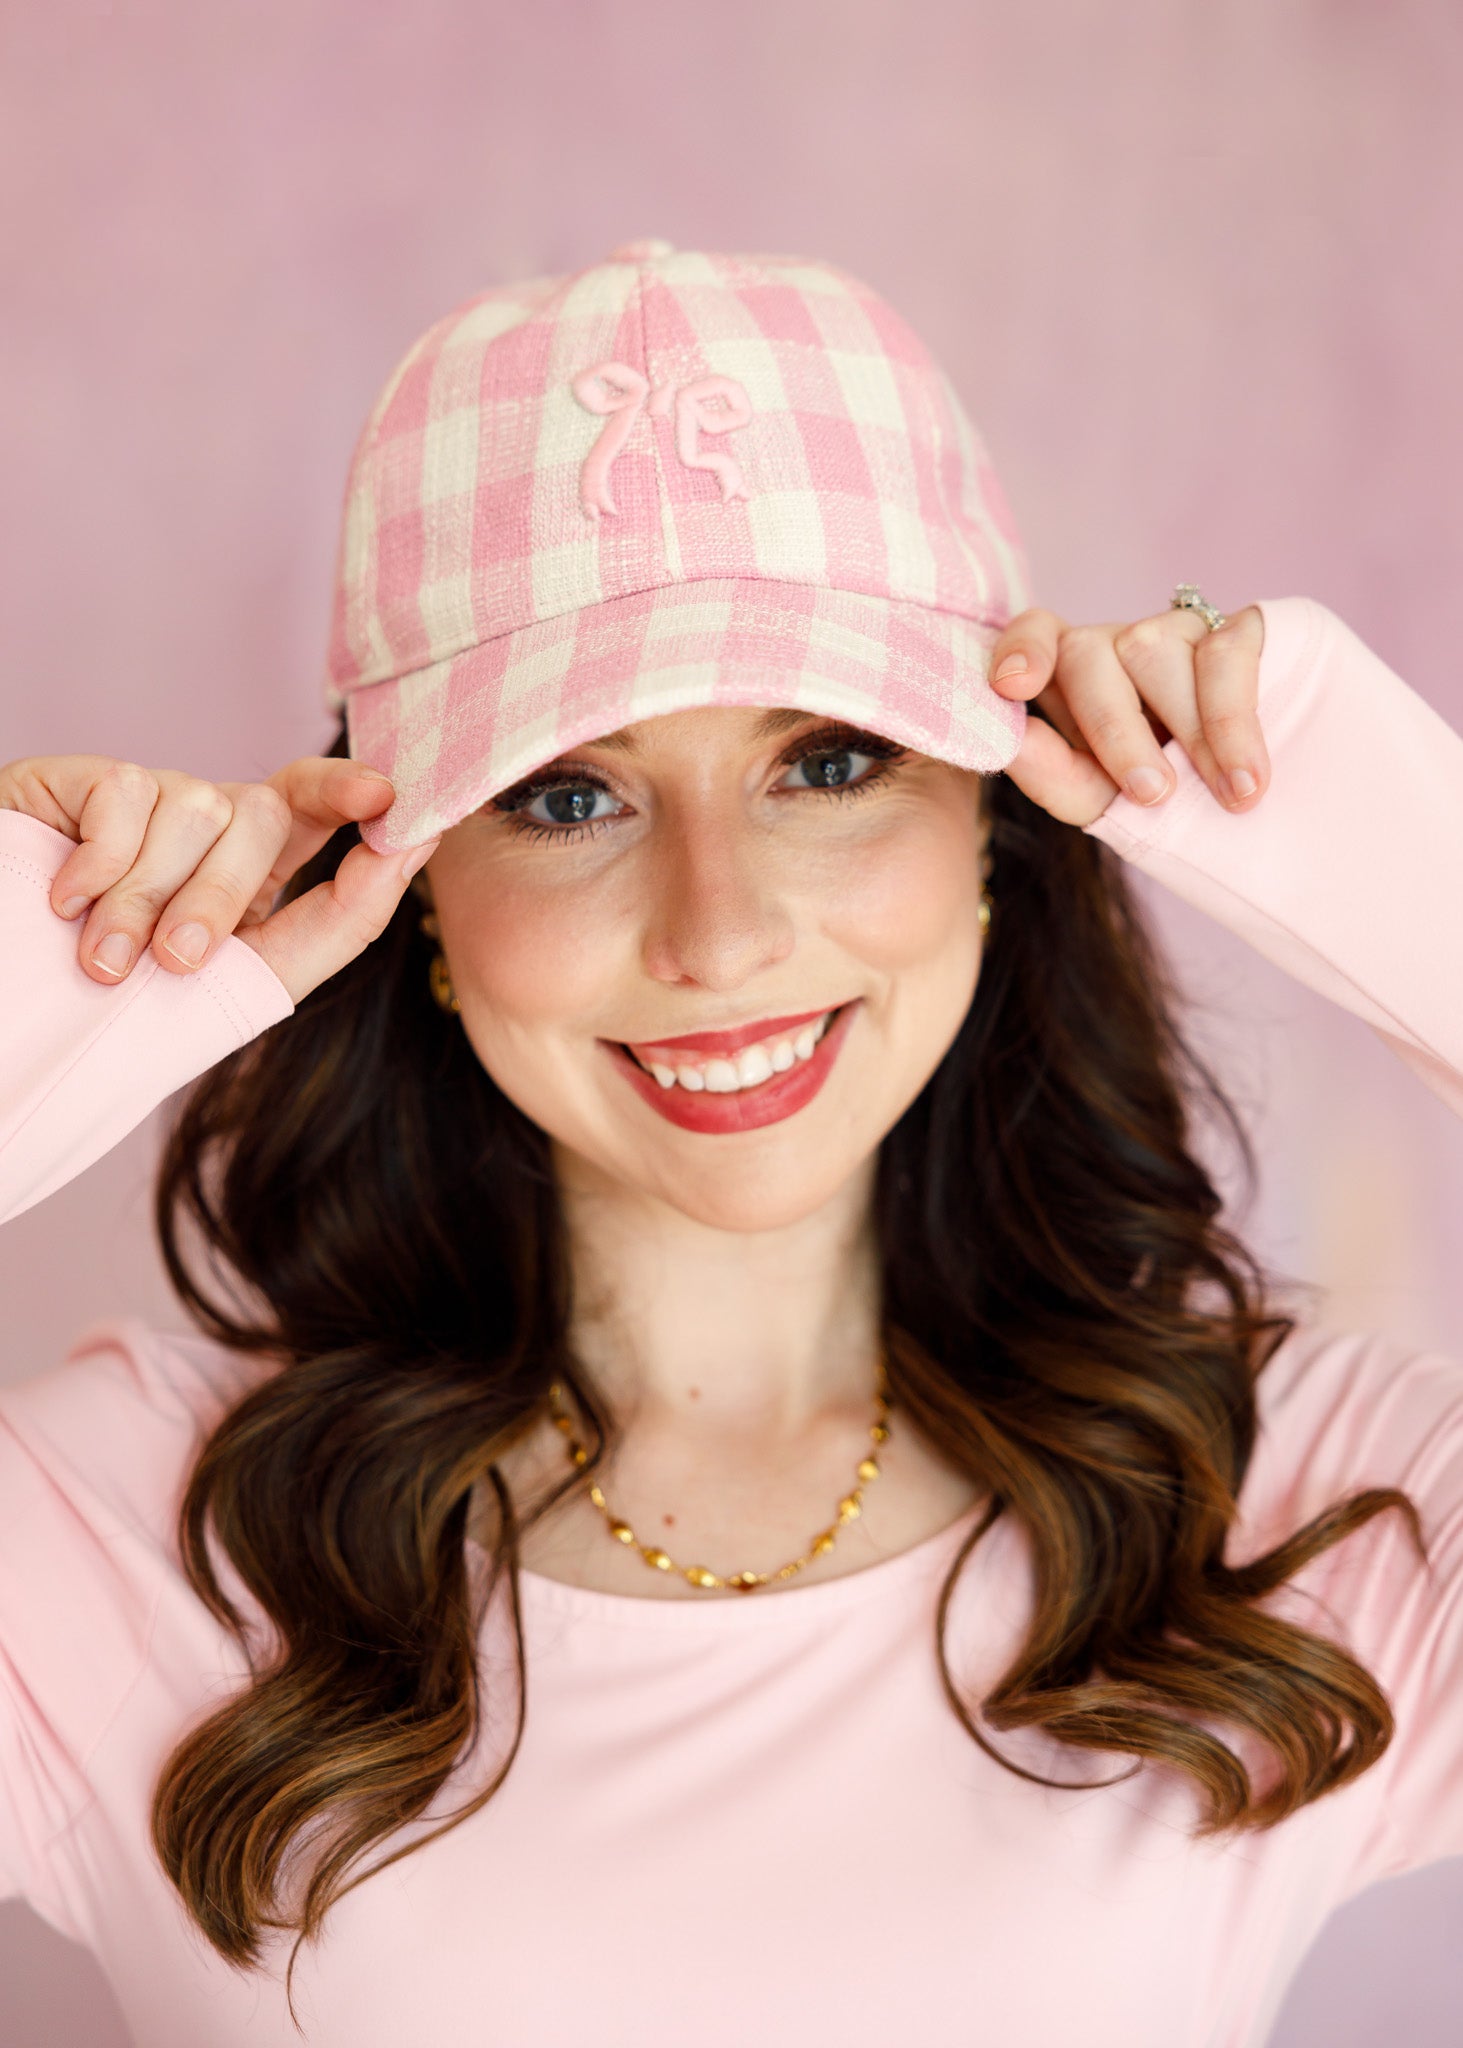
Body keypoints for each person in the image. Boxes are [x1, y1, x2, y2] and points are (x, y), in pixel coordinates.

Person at [0, 239, 1459, 2048]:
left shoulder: (1297, 1506)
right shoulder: (112, 1538)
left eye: (831, 764)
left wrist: (1419, 883)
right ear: (419, 896)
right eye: (567, 794)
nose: (719, 933)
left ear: (1002, 828)